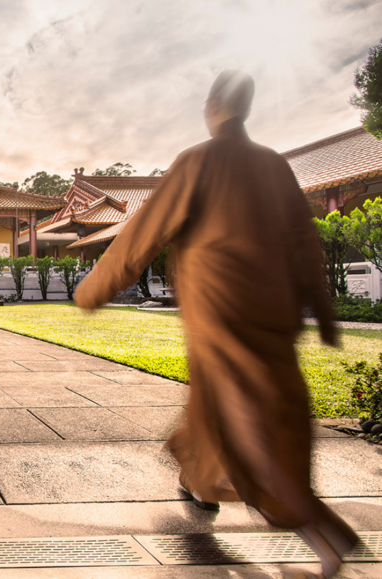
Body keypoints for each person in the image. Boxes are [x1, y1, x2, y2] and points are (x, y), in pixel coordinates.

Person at [73, 70, 360, 579]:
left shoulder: (199, 162)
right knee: (230, 414)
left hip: (222, 317)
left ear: (212, 107)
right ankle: (200, 483)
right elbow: (305, 243)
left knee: (249, 428)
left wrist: (94, 288)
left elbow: (143, 233)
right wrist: (326, 312)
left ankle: (322, 534)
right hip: (275, 317)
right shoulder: (274, 166)